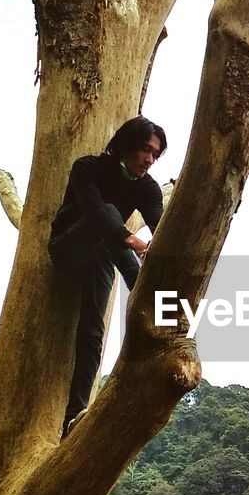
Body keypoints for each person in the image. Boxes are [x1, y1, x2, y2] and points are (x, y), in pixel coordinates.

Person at [49, 116, 167, 438]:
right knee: (111, 213)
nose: (149, 159)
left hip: (101, 257)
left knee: (93, 332)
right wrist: (133, 242)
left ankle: (73, 418)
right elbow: (96, 214)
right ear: (127, 143)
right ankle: (140, 285)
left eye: (155, 154)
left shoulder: (147, 188)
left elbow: (162, 227)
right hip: (68, 249)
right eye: (145, 149)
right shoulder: (87, 168)